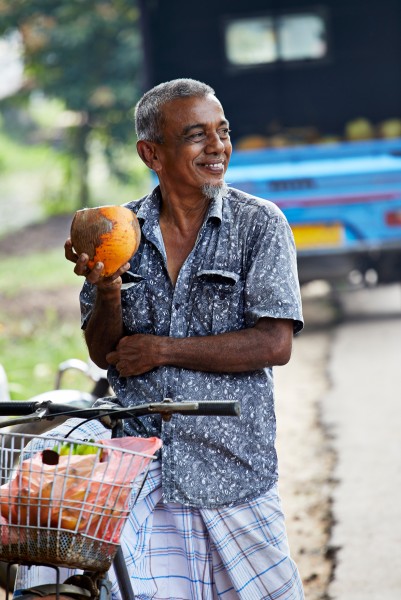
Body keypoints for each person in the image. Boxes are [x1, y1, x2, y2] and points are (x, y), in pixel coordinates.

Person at [14, 78, 304, 599]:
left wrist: (163, 349)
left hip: (230, 465)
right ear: (152, 153)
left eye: (223, 131)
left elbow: (274, 344)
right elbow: (105, 353)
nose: (217, 147)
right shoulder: (116, 230)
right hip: (142, 465)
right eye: (197, 135)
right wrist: (105, 289)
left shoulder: (260, 225)